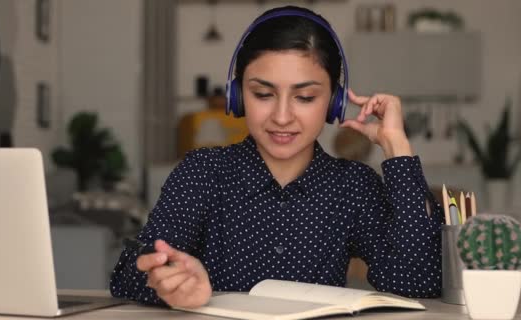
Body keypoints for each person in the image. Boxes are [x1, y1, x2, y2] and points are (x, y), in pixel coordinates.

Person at [110, 5, 444, 308]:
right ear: (238, 96)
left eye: (305, 97)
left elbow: (416, 281)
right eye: (263, 94)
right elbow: (128, 275)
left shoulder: (353, 186)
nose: (282, 117)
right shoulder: (203, 172)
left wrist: (397, 147)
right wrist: (174, 282)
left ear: (333, 103)